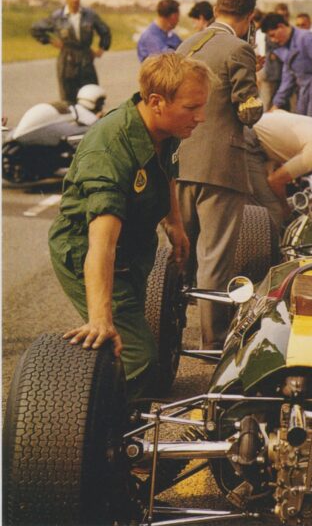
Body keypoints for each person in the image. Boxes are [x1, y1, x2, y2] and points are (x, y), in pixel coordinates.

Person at [48, 53, 209, 404]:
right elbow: (100, 245)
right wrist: (100, 319)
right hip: (87, 252)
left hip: (133, 249)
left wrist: (175, 224)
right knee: (137, 359)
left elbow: (166, 172)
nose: (201, 117)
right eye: (192, 107)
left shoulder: (168, 128)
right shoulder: (110, 148)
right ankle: (105, 440)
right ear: (156, 102)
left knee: (132, 342)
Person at [176, 0, 262, 350]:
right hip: (221, 167)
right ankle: (212, 343)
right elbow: (248, 112)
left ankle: (168, 331)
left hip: (180, 163)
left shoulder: (186, 44)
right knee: (213, 257)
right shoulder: (237, 49)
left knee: (179, 251)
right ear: (250, 15)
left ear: (216, 8)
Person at [31, 0, 111, 104]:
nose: (75, 0)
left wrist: (102, 48)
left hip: (86, 58)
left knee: (93, 96)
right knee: (68, 100)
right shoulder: (57, 16)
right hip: (66, 60)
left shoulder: (89, 15)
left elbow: (105, 31)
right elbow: (36, 29)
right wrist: (50, 41)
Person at [260, 13, 312, 117]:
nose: (273, 40)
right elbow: (287, 79)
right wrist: (276, 105)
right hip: (303, 95)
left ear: (281, 27)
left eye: (273, 35)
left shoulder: (307, 38)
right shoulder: (285, 47)